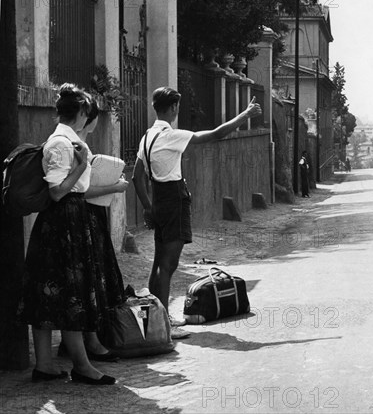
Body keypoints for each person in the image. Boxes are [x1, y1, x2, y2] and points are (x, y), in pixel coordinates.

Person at [132, 87, 262, 339]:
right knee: (168, 265)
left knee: (158, 264)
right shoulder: (170, 136)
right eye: (177, 106)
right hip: (173, 200)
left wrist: (148, 208)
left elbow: (137, 178)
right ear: (172, 108)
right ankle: (164, 325)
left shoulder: (147, 136)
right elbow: (215, 134)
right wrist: (245, 114)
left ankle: (155, 322)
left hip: (158, 200)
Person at [17, 84, 116, 385]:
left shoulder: (62, 139)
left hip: (61, 222)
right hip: (64, 221)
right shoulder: (63, 144)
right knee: (72, 295)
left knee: (47, 293)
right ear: (83, 112)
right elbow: (58, 192)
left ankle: (45, 365)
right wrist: (83, 165)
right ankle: (82, 366)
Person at [56, 97, 129, 362]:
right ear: (89, 117)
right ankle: (89, 343)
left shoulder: (75, 142)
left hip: (89, 216)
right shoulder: (74, 145)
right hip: (83, 215)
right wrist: (114, 187)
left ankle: (87, 340)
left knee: (89, 281)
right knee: (86, 282)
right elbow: (79, 191)